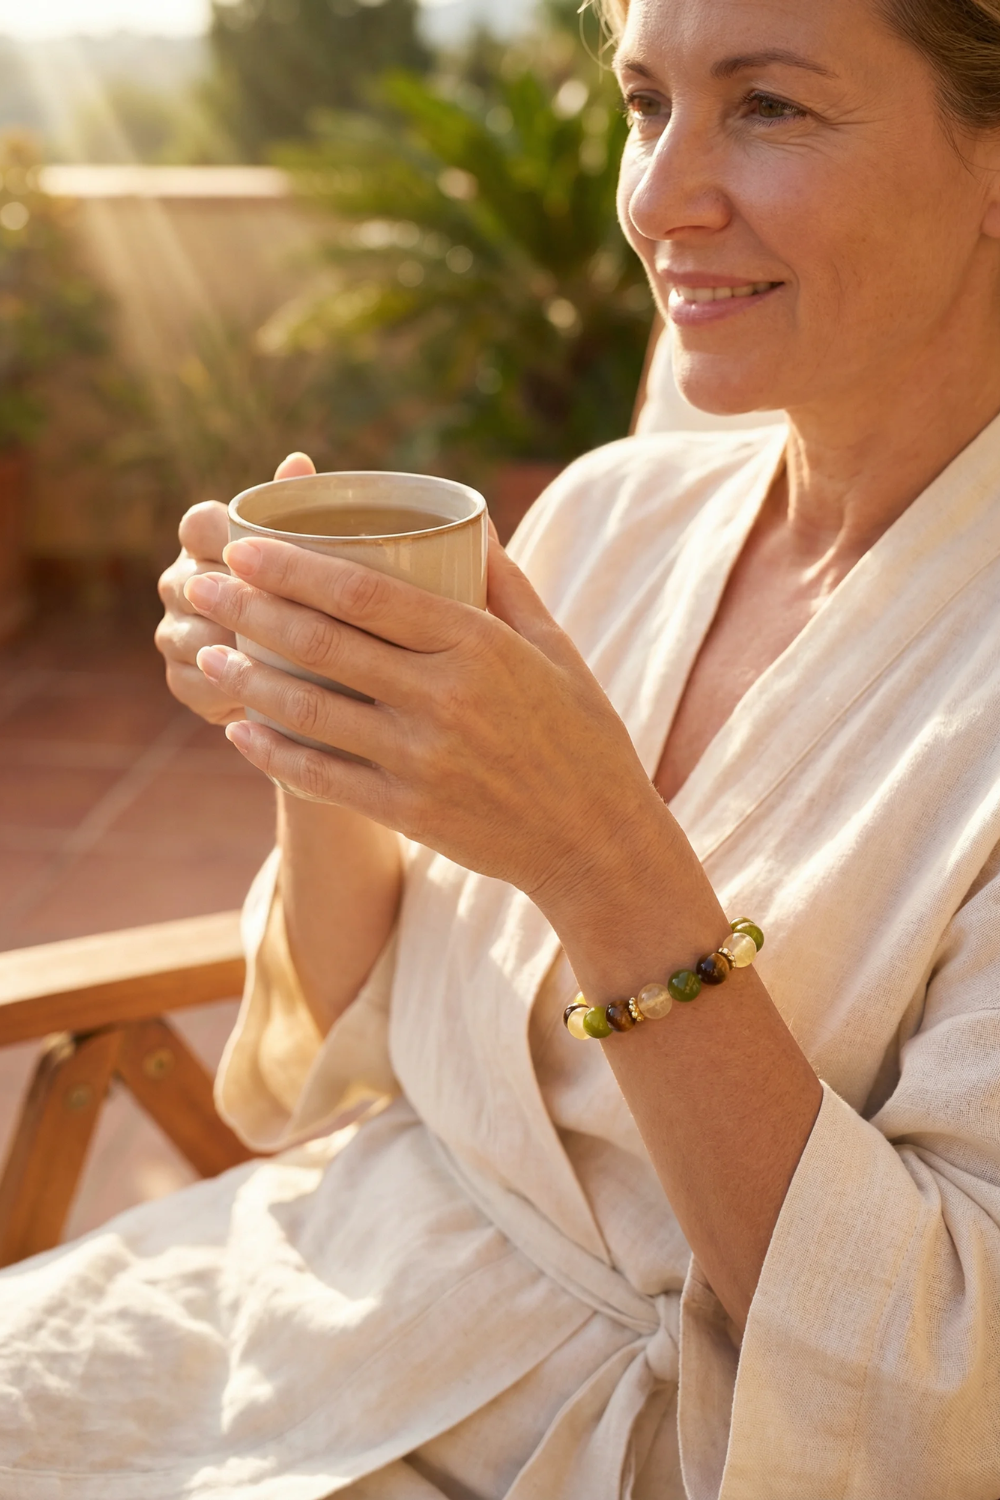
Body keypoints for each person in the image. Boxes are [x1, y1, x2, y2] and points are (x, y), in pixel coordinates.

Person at [2, 0, 1000, 1495]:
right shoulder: (610, 515)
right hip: (299, 1301)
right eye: (646, 103)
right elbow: (355, 1036)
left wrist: (601, 859)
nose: (660, 198)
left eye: (771, 106)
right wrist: (316, 729)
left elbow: (941, 1385)